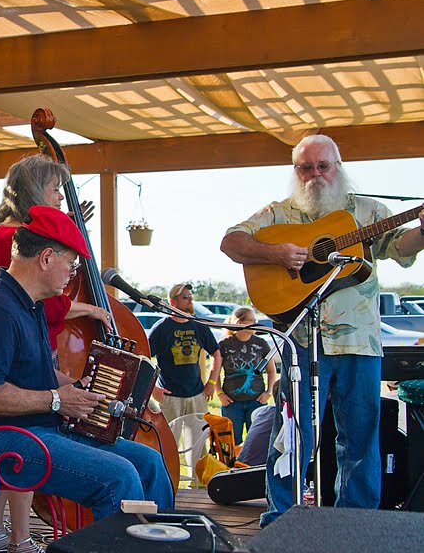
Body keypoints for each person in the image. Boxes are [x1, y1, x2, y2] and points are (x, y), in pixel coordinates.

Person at [220, 134, 424, 526]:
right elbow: (231, 242)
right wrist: (276, 253)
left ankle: (356, 524)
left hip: (358, 341)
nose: (315, 174)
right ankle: (282, 519)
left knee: (361, 437)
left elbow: (400, 247)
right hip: (300, 341)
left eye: (323, 166)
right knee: (292, 435)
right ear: (296, 171)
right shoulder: (278, 214)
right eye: (306, 167)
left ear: (338, 167)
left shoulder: (366, 212)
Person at [0, 205, 173, 541]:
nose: (72, 274)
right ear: (46, 258)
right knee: (118, 477)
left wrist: (77, 389)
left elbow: (38, 372)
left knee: (149, 462)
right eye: (71, 266)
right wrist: (59, 401)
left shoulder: (26, 305)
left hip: (36, 429)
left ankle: (165, 547)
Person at [0, 155, 111, 552]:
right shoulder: (12, 236)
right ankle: (14, 536)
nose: (60, 196)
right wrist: (91, 309)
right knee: (27, 440)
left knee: (19, 451)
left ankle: (4, 533)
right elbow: (40, 300)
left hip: (26, 346)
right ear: (37, 189)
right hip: (20, 349)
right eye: (56, 189)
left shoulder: (10, 231)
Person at [149, 283, 221, 422]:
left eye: (190, 296)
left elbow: (216, 354)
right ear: (173, 302)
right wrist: (153, 388)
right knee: (169, 442)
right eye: (185, 297)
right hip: (169, 396)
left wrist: (212, 382)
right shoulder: (161, 328)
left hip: (197, 395)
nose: (190, 300)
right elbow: (144, 358)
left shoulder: (199, 326)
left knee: (198, 442)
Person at [211, 307, 278, 444]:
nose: (254, 323)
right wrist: (220, 393)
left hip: (256, 400)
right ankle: (233, 465)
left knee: (257, 440)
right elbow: (215, 371)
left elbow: (271, 371)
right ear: (240, 323)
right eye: (251, 320)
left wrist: (268, 392)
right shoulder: (224, 345)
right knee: (231, 441)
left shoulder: (261, 344)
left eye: (255, 320)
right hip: (232, 402)